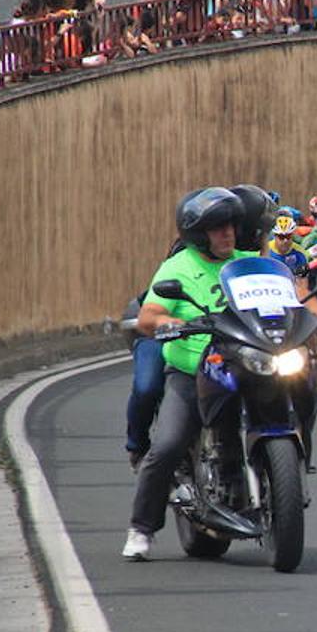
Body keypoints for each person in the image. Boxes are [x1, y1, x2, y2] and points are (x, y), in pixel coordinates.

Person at [122, 188, 252, 561]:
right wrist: (172, 322)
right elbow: (148, 317)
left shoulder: (248, 262)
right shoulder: (177, 268)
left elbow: (287, 292)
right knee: (166, 446)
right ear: (199, 234)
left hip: (244, 367)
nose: (227, 234)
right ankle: (141, 528)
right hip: (191, 371)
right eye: (217, 228)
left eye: (230, 226)